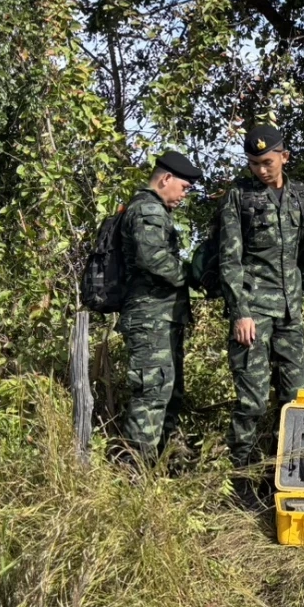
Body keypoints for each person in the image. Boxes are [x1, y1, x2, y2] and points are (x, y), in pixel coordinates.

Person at [218, 125, 304, 485]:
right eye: (254, 164)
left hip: (290, 312)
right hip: (254, 311)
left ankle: (288, 476)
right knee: (251, 401)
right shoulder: (239, 196)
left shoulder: (300, 196)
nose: (261, 170)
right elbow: (230, 260)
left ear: (284, 156)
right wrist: (241, 312)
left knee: (295, 400)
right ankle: (240, 478)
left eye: (267, 162)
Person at [118, 150, 202, 463]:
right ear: (166, 178)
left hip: (161, 316)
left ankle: (161, 466)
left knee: (167, 392)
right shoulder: (148, 209)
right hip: (150, 316)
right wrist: (190, 276)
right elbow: (153, 259)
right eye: (184, 187)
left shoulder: (154, 209)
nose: (184, 195)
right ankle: (134, 471)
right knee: (152, 394)